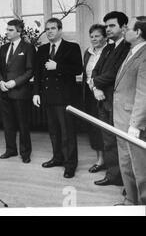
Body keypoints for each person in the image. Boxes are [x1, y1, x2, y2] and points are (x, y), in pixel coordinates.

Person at [33, 18, 82, 178]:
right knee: (54, 131)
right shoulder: (42, 49)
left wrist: (58, 67)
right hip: (48, 97)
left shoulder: (72, 47)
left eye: (53, 28)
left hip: (65, 98)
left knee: (67, 132)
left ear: (60, 30)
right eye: (47, 29)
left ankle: (70, 164)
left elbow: (78, 70)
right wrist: (36, 93)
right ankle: (57, 158)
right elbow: (38, 74)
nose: (49, 31)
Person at [90, 11, 130, 186]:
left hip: (118, 102)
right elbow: (96, 70)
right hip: (103, 101)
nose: (108, 29)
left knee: (124, 144)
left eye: (112, 25)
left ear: (124, 27)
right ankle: (113, 176)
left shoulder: (127, 47)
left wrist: (94, 83)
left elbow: (115, 74)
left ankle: (128, 181)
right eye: (106, 26)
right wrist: (96, 87)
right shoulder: (107, 47)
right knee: (109, 142)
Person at [112, 19, 146, 205]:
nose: (124, 30)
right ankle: (131, 201)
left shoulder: (145, 55)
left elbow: (144, 93)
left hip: (132, 120)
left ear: (138, 32)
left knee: (138, 165)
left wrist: (136, 124)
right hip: (121, 117)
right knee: (126, 161)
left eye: (128, 28)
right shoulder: (132, 52)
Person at [0, 19, 35, 163]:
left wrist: (15, 82)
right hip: (4, 92)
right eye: (7, 29)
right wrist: (0, 82)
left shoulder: (28, 48)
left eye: (10, 30)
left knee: (23, 124)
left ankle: (25, 153)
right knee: (7, 123)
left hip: (20, 92)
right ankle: (10, 150)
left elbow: (30, 71)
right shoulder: (4, 48)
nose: (7, 32)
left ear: (19, 31)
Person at [82, 24, 107, 173]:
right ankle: (100, 160)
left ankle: (112, 163)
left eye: (97, 36)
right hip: (90, 95)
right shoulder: (88, 52)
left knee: (106, 130)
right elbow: (87, 74)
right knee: (94, 129)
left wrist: (98, 87)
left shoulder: (110, 51)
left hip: (104, 95)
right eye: (91, 36)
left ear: (104, 37)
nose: (94, 39)